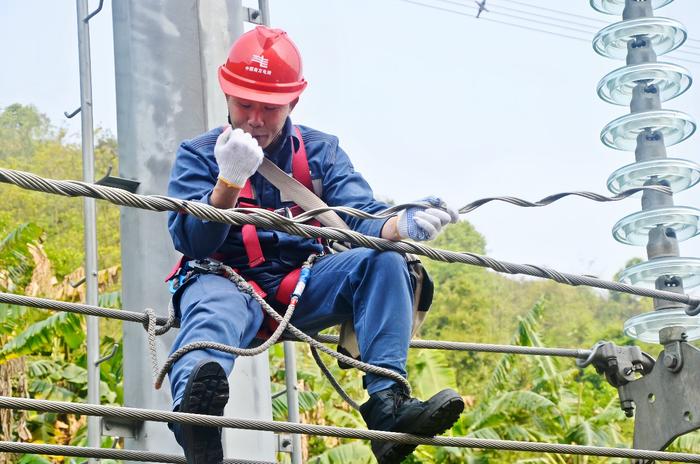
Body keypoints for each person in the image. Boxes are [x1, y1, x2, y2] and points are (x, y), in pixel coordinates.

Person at [166, 25, 464, 464]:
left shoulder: (322, 153)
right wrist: (227, 181)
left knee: (384, 260)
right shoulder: (198, 154)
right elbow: (192, 241)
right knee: (213, 307)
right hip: (226, 282)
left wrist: (401, 225)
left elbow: (359, 214)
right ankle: (196, 422)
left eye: (269, 108)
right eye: (244, 104)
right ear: (226, 94)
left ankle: (389, 409)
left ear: (293, 102)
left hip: (301, 285)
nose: (255, 120)